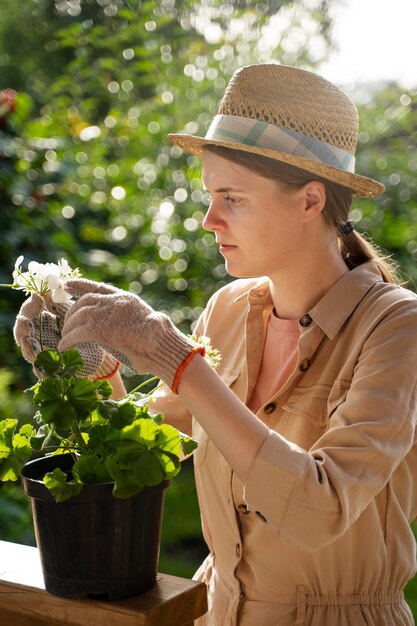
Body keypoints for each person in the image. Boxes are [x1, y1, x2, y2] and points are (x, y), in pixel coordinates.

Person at [14, 64, 417, 626]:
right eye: (210, 196)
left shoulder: (396, 329)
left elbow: (317, 509)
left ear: (310, 200)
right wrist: (92, 367)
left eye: (232, 198)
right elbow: (146, 448)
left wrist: (174, 358)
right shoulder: (229, 310)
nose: (208, 219)